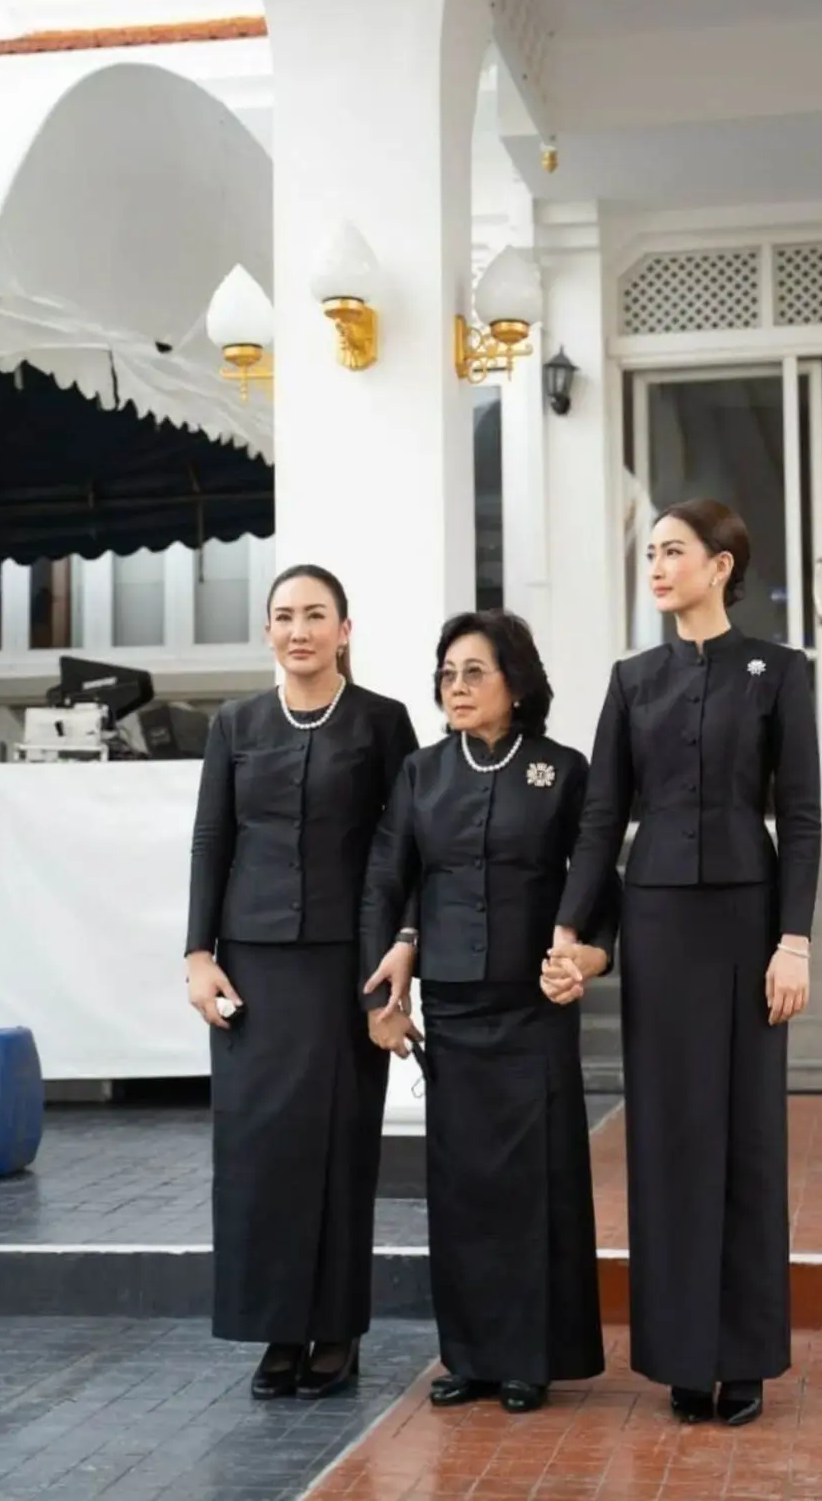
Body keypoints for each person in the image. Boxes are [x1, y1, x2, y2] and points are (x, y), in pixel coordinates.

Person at [550, 499, 821, 1427]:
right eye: (652, 553)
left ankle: (741, 1358)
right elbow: (601, 817)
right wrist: (569, 926)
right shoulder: (632, 680)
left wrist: (795, 940)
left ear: (721, 565)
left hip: (749, 921)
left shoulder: (781, 671)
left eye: (674, 551)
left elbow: (803, 816)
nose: (658, 567)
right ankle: (677, 1354)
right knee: (666, 1134)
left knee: (747, 1135)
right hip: (659, 920)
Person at [360, 610, 618, 1415]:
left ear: (517, 682)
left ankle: (529, 1358)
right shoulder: (422, 772)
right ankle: (469, 1356)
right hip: (454, 1010)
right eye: (447, 674)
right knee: (462, 1186)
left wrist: (593, 955)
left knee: (533, 1185)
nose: (457, 687)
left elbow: (599, 884)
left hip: (533, 1007)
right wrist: (380, 997)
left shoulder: (561, 770)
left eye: (475, 671)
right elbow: (389, 879)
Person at [184, 564, 417, 1401]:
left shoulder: (382, 721)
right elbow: (212, 839)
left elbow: (407, 844)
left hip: (347, 965)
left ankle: (337, 1330)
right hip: (252, 966)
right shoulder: (236, 722)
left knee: (340, 1147)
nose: (299, 631)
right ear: (268, 631)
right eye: (284, 616)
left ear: (344, 630)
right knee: (260, 1153)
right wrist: (197, 954)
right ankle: (279, 1329)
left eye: (316, 615)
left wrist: (403, 947)